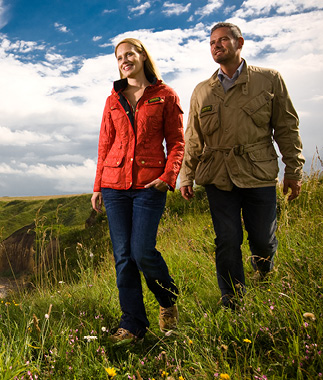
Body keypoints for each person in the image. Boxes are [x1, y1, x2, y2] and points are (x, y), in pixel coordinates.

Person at [179, 22, 304, 309]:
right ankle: (233, 301)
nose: (216, 46)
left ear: (240, 43)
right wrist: (186, 175)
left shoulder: (269, 79)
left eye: (223, 40)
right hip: (217, 175)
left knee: (261, 237)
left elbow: (286, 127)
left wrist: (293, 171)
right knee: (227, 239)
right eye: (212, 42)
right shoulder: (202, 91)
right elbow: (194, 137)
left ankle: (264, 273)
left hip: (258, 171)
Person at [91, 38, 185, 344]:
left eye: (129, 54)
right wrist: (97, 187)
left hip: (149, 184)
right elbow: (105, 143)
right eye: (119, 57)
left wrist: (168, 176)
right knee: (123, 257)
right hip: (114, 185)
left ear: (143, 55)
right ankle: (132, 326)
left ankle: (167, 299)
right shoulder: (112, 100)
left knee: (142, 251)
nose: (124, 60)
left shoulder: (165, 95)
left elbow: (177, 142)